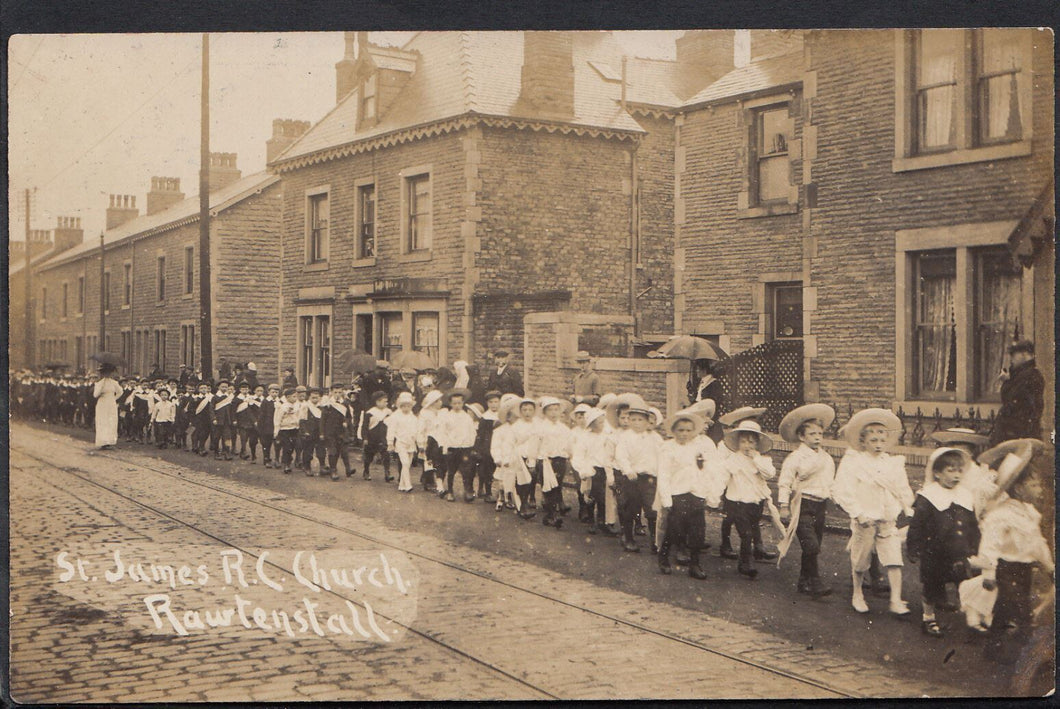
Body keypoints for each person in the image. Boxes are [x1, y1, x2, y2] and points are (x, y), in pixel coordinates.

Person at [971, 439, 1053, 665]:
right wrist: (988, 573)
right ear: (1018, 488)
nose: (1039, 490)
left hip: (1025, 569)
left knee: (1005, 611)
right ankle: (1025, 655)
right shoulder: (1002, 515)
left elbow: (1038, 543)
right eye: (1034, 485)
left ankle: (994, 646)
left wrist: (1050, 567)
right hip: (1006, 569)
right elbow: (989, 545)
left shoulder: (1029, 513)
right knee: (1021, 611)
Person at [832, 408, 914, 616]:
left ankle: (896, 599)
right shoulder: (854, 462)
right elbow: (843, 490)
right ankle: (858, 593)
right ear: (863, 442)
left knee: (894, 558)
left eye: (881, 439)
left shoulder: (893, 463)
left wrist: (908, 506)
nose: (878, 444)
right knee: (861, 560)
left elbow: (902, 487)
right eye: (873, 440)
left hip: (887, 519)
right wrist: (858, 513)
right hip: (865, 519)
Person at [907, 447, 980, 637]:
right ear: (937, 473)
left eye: (959, 470)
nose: (956, 475)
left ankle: (972, 618)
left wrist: (975, 545)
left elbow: (972, 524)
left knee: (964, 579)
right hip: (934, 550)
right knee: (932, 583)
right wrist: (914, 547)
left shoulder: (964, 495)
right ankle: (928, 617)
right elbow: (917, 524)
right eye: (950, 470)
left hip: (958, 549)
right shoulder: (929, 496)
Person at [776, 404, 837, 598]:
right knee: (811, 545)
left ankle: (804, 581)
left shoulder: (827, 459)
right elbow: (785, 482)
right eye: (812, 434)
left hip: (820, 505)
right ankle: (815, 582)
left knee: (813, 544)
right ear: (802, 437)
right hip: (802, 504)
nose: (817, 437)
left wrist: (838, 499)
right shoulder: (795, 458)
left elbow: (830, 483)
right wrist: (784, 506)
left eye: (820, 433)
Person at [657, 410, 721, 579]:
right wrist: (666, 499)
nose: (685, 434)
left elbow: (705, 471)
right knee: (675, 529)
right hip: (677, 494)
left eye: (688, 430)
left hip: (696, 493)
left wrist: (709, 493)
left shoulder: (698, 448)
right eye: (681, 430)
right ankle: (663, 557)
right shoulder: (668, 448)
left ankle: (695, 563)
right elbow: (663, 475)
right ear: (673, 431)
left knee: (698, 530)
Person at [719, 420, 776, 579]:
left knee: (753, 527)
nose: (747, 445)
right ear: (738, 443)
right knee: (746, 534)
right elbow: (722, 477)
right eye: (743, 441)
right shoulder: (732, 460)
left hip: (755, 502)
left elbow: (770, 474)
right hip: (737, 502)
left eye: (751, 442)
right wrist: (716, 494)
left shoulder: (762, 460)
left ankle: (753, 554)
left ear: (757, 444)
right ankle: (746, 562)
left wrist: (756, 460)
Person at [613, 396, 658, 553]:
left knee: (652, 510)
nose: (636, 423)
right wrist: (628, 470)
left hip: (650, 479)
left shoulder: (655, 438)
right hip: (632, 478)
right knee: (630, 508)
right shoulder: (625, 437)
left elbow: (661, 457)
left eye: (640, 420)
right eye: (633, 419)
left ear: (647, 422)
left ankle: (655, 539)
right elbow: (621, 456)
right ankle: (629, 537)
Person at [990, 340, 1045, 445]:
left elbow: (1012, 401)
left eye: (1014, 355)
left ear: (1024, 354)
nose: (1011, 359)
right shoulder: (1024, 375)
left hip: (1018, 434)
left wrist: (1007, 382)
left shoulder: (1030, 376)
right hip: (1016, 433)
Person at [536, 396, 573, 528]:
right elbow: (536, 445)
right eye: (550, 410)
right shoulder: (541, 428)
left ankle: (554, 509)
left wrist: (569, 455)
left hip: (560, 459)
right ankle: (551, 515)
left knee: (557, 485)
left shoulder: (563, 428)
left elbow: (569, 444)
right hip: (546, 460)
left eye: (556, 410)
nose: (553, 413)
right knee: (548, 486)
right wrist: (537, 459)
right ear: (545, 412)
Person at [438, 389, 477, 502]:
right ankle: (450, 491)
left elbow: (471, 432)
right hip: (452, 447)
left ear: (463, 403)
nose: (457, 405)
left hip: (464, 447)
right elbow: (442, 432)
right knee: (451, 471)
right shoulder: (447, 417)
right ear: (450, 404)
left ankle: (467, 491)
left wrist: (470, 444)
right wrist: (444, 446)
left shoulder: (466, 417)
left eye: (459, 403)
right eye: (454, 403)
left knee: (466, 470)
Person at [471, 391, 502, 502]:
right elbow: (481, 434)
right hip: (487, 446)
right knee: (486, 468)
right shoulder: (485, 418)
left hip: (499, 445)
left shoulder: (502, 416)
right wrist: (479, 448)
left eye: (496, 402)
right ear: (487, 403)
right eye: (491, 402)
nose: (493, 404)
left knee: (498, 468)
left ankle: (501, 493)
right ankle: (486, 491)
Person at [387, 392, 420, 492]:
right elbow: (391, 430)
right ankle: (408, 484)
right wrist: (390, 442)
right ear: (400, 406)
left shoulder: (414, 418)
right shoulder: (396, 417)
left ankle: (402, 485)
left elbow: (417, 431)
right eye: (404, 406)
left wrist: (418, 442)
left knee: (407, 465)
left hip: (411, 443)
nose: (406, 408)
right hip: (401, 442)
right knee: (405, 463)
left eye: (409, 406)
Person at [321, 384, 353, 480]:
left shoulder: (345, 403)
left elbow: (349, 417)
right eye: (335, 392)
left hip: (342, 432)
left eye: (340, 392)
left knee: (344, 451)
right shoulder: (328, 404)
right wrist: (322, 433)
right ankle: (333, 470)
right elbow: (323, 420)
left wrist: (346, 423)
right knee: (333, 451)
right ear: (331, 392)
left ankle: (348, 469)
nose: (337, 394)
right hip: (330, 432)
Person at [417, 390, 445, 492]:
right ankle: (428, 481)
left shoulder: (441, 412)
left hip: (438, 439)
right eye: (438, 401)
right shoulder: (425, 413)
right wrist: (420, 442)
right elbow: (421, 429)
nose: (441, 402)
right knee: (428, 460)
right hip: (427, 439)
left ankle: (426, 477)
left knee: (435, 459)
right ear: (432, 403)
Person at [361, 391, 392, 481]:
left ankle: (387, 472)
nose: (386, 403)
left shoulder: (388, 412)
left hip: (384, 437)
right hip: (372, 437)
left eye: (387, 401)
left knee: (386, 455)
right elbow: (365, 427)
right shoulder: (370, 413)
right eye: (384, 401)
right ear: (377, 402)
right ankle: (366, 471)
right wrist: (365, 438)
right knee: (369, 456)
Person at [92, 364, 122, 449]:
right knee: (102, 421)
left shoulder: (114, 383)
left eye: (108, 372)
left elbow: (120, 392)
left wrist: (114, 399)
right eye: (105, 373)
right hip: (102, 404)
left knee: (111, 422)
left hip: (111, 404)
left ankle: (110, 441)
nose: (107, 374)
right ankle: (102, 441)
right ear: (102, 373)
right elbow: (95, 395)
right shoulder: (99, 383)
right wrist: (101, 387)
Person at [273, 388, 302, 474]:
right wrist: (276, 431)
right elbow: (277, 419)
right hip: (285, 430)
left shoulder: (298, 405)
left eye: (296, 396)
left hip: (294, 429)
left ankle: (289, 461)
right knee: (287, 447)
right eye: (294, 396)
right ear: (288, 397)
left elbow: (299, 417)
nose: (295, 398)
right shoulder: (282, 407)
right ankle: (286, 465)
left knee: (294, 446)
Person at [258, 384, 281, 468]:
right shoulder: (265, 401)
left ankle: (277, 460)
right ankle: (266, 459)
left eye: (276, 392)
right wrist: (261, 427)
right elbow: (261, 415)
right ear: (269, 392)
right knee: (266, 444)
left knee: (278, 444)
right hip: (267, 426)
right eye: (273, 392)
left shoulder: (280, 401)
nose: (275, 394)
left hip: (277, 426)